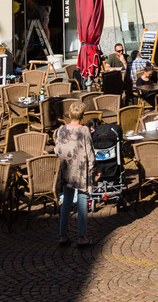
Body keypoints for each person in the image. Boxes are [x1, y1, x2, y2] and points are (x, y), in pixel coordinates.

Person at [55, 100, 95, 248]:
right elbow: (90, 153)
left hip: (66, 169)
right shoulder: (84, 131)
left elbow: (57, 150)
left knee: (66, 202)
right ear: (82, 116)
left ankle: (63, 234)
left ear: (70, 114)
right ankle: (82, 236)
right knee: (82, 202)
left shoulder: (61, 130)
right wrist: (93, 169)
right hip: (81, 170)